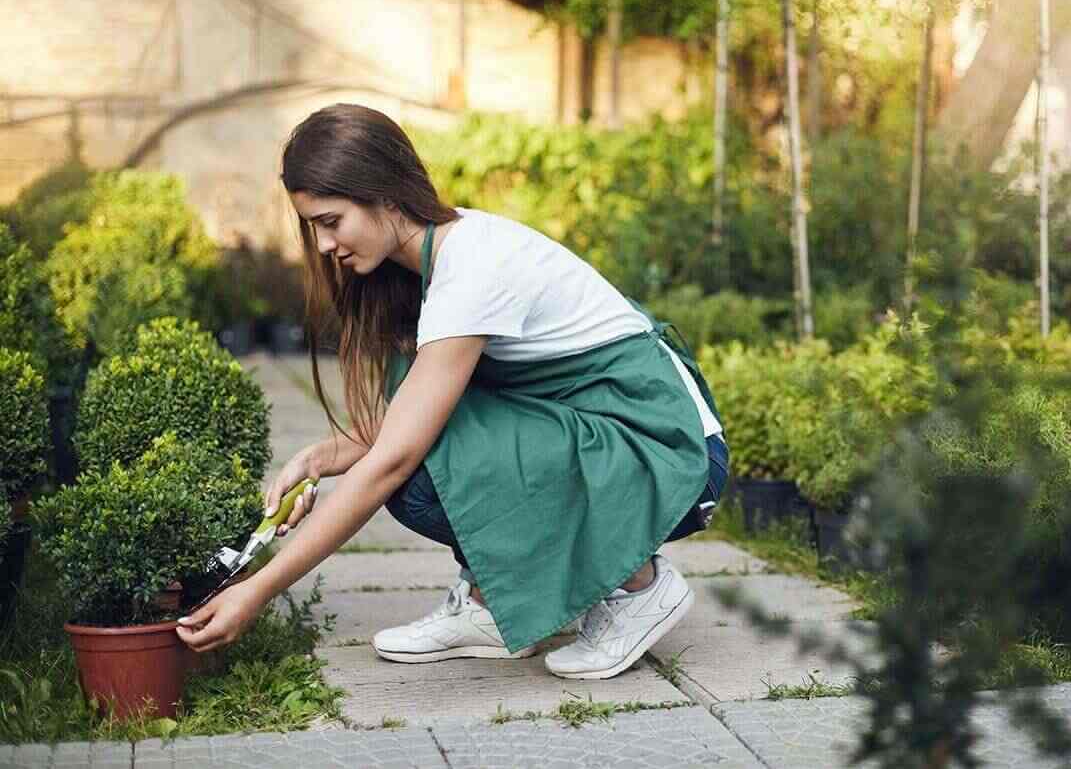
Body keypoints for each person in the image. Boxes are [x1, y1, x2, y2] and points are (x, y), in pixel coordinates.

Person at [177, 103, 729, 681]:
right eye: (313, 226)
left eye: (331, 221)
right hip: (607, 435)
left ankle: (639, 587)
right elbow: (408, 416)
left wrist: (258, 588)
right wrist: (320, 457)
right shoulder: (424, 263)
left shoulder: (473, 267)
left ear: (385, 196)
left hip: (672, 452)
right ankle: (493, 605)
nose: (322, 245)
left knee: (415, 476)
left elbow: (395, 457)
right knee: (422, 453)